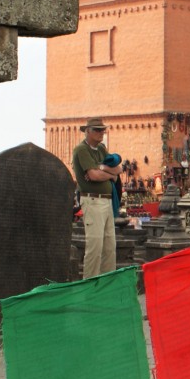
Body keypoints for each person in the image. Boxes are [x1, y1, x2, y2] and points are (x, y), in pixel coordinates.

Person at [72, 117, 122, 279]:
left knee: (109, 247)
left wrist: (102, 169)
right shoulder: (81, 150)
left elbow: (118, 169)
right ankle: (90, 287)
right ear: (87, 131)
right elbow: (93, 175)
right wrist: (109, 175)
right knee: (95, 247)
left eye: (102, 130)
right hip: (92, 200)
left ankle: (106, 287)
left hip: (106, 201)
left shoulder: (101, 149)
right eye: (97, 130)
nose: (101, 133)